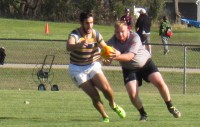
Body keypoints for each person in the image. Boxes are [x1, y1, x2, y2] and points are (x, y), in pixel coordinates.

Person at [106, 21, 181, 121]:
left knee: (159, 82)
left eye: (122, 31)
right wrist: (106, 58)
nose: (120, 34)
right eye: (117, 32)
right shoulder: (112, 41)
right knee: (132, 94)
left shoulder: (134, 37)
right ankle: (143, 114)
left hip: (145, 64)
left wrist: (115, 56)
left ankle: (170, 106)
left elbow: (129, 56)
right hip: (129, 70)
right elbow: (105, 58)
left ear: (127, 29)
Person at [66, 12, 126, 123]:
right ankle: (105, 116)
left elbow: (105, 47)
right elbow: (69, 46)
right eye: (87, 23)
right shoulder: (75, 34)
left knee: (107, 89)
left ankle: (113, 105)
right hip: (77, 69)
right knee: (95, 96)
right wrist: (77, 45)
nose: (90, 26)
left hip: (92, 65)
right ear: (82, 23)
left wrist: (109, 55)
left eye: (92, 23)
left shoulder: (95, 34)